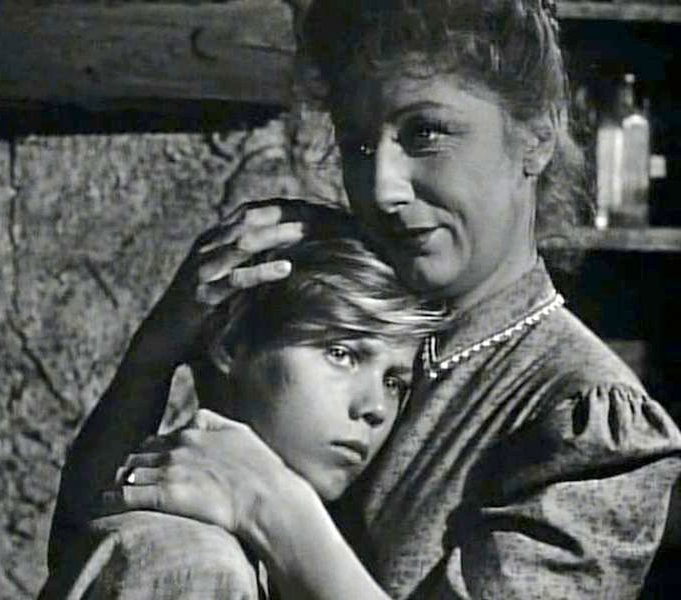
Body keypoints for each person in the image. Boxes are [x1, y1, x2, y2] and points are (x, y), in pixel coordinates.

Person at [49, 0, 681, 598]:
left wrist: (270, 504)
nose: (382, 189)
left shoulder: (589, 425)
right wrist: (156, 355)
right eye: (357, 145)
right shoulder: (334, 302)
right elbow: (95, 547)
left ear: (536, 136)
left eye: (426, 133)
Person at [41, 215, 443, 598]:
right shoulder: (195, 562)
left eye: (394, 382)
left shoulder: (278, 553)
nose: (375, 407)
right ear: (232, 344)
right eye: (341, 354)